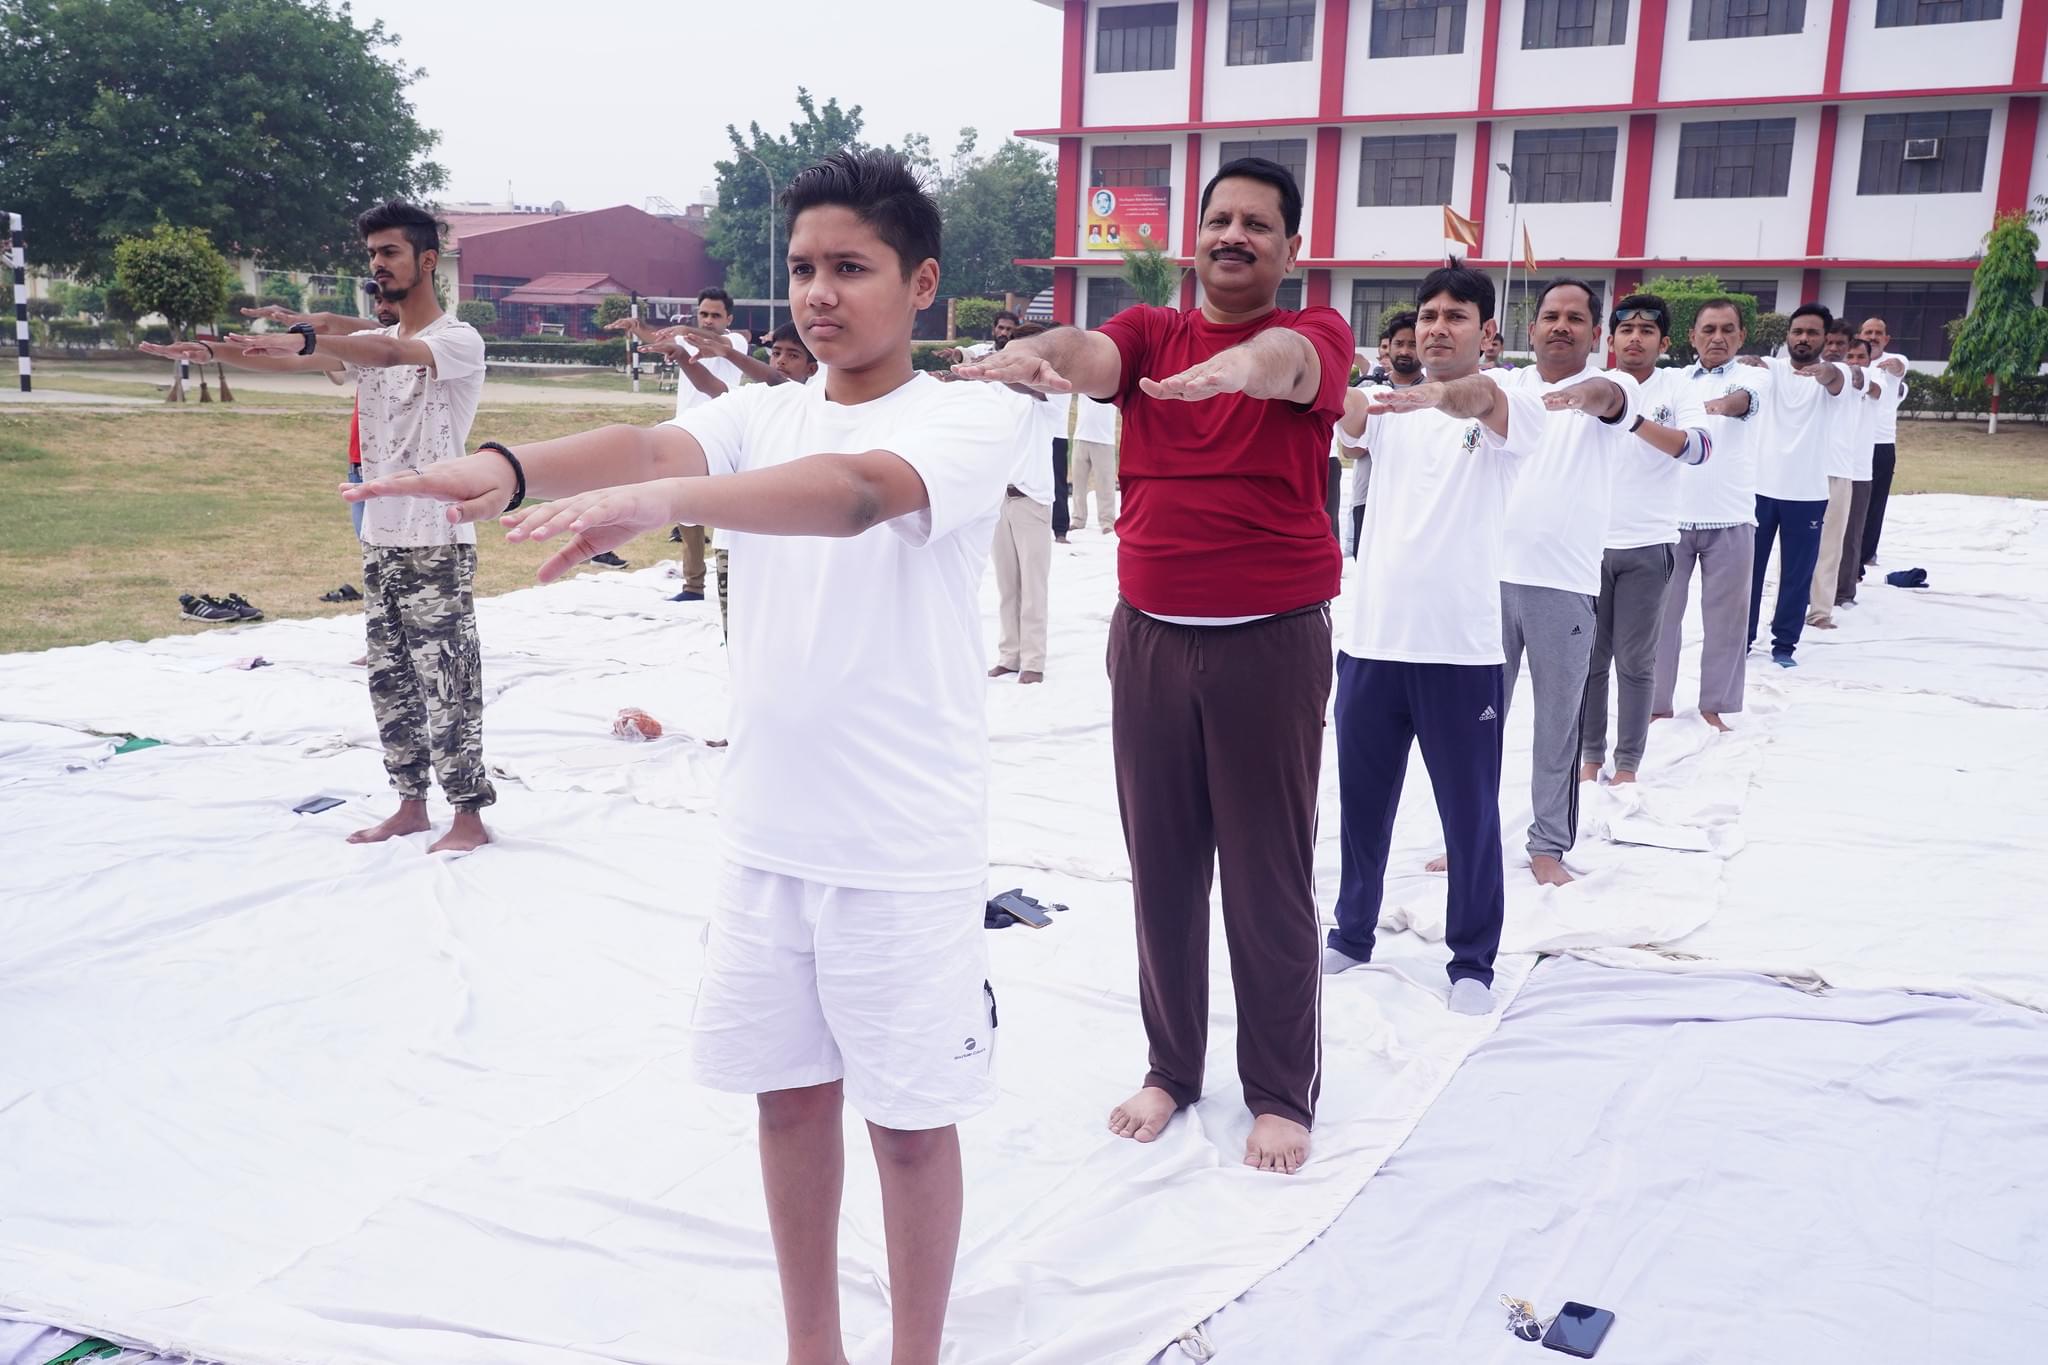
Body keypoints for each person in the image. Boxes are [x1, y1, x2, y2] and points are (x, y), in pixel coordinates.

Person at [353, 150, 1017, 1365]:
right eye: (805, 269)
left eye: (851, 269)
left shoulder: (965, 414)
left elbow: (860, 493)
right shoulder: (761, 408)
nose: (820, 293)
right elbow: (648, 444)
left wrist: (677, 508)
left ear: (921, 286)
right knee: (787, 1100)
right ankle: (810, 1347)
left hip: (900, 848)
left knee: (911, 1128)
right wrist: (500, 473)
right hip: (769, 833)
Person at [958, 156, 1352, 1176]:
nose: (1232, 235)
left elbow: (1289, 372)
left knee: (1264, 876)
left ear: (1288, 247)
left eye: (1254, 224)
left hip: (1269, 638)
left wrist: (1241, 369)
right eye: (1217, 220)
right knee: (1164, 868)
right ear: (1193, 241)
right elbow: (1091, 354)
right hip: (1148, 637)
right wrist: (1033, 351)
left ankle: (1277, 1091)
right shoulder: (1150, 333)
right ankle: (1171, 1068)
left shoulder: (1316, 334)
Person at [148, 202, 495, 853]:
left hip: (437, 540)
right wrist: (211, 350)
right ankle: (411, 803)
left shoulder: (456, 340)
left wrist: (310, 336)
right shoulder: (366, 348)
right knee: (389, 678)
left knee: (448, 679)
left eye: (389, 252)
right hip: (382, 539)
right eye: (371, 255)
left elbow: (392, 348)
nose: (378, 265)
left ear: (426, 261)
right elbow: (290, 363)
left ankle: (469, 814)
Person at [1319, 265, 1524, 1015]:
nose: (1438, 327)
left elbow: (1481, 400)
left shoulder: (1510, 403)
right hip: (1372, 644)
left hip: (1460, 655)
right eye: (1429, 315)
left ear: (1485, 330)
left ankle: (1472, 957)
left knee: (1468, 814)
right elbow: (1340, 409)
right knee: (1362, 805)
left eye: (1455, 316)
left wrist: (1439, 394)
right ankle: (1352, 930)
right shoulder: (1388, 408)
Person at [1494, 278, 1641, 886]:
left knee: (1556, 723)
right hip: (1488, 581)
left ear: (1595, 332)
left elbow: (1608, 395)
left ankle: (1548, 844)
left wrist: (1582, 393)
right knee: (1476, 724)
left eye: (1574, 318)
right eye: (1549, 316)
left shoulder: (1618, 386)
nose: (1560, 326)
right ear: (1531, 329)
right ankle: (1468, 835)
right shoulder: (1505, 386)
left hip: (1563, 584)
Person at [1579, 294, 1729, 786]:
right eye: (1626, 330)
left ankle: (1627, 765)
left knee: (1636, 663)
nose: (1635, 338)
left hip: (1649, 545)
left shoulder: (1677, 388)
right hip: (1587, 546)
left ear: (1664, 342)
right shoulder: (1588, 388)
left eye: (1647, 331)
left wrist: (1634, 420)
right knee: (1590, 662)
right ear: (1610, 338)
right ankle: (1589, 758)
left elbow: (1700, 449)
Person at [1651, 299, 1769, 733]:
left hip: (1732, 518)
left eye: (1727, 329)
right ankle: (1656, 702)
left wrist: (1711, 408)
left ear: (1740, 336)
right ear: (1692, 336)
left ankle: (1715, 705)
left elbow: (1743, 402)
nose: (1717, 337)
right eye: (1708, 329)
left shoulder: (1754, 376)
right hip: (1671, 518)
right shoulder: (1675, 380)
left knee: (1727, 621)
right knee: (1661, 619)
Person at [610, 287, 750, 598]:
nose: (709, 320)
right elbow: (662, 342)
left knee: (729, 516)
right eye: (703, 314)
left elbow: (717, 345)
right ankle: (694, 585)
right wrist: (638, 329)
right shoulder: (686, 341)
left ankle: (740, 584)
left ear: (729, 318)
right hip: (686, 435)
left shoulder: (736, 341)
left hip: (724, 436)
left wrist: (687, 331)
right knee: (687, 515)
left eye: (715, 315)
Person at [1739, 303, 1849, 666]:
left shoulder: (1836, 376)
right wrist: (1749, 360)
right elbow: (1751, 366)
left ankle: (1784, 645)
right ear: (1787, 336)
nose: (1803, 338)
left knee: (1796, 576)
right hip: (1759, 490)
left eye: (1812, 333)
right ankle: (1742, 640)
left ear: (1825, 339)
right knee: (1748, 573)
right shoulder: (1771, 370)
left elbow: (1835, 379)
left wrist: (1826, 372)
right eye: (1797, 331)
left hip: (1807, 495)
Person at [982, 321, 1061, 684]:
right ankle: (1009, 655)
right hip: (1001, 496)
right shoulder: (999, 393)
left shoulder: (1051, 388)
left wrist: (1000, 371)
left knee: (1034, 586)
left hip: (1032, 498)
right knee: (1007, 585)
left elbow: (1033, 390)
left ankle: (1033, 661)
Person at [1808, 331, 1878, 630]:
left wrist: (1847, 371)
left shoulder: (1855, 377)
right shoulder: (1800, 371)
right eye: (1830, 342)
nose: (1835, 348)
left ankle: (1820, 611)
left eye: (1841, 344)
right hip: (1802, 472)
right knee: (1796, 547)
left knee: (1830, 545)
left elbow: (1870, 386)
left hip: (1838, 471)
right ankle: (1788, 606)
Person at [1346, 310, 1424, 555]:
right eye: (1399, 343)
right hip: (1368, 496)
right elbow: (1350, 449)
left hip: (1415, 502)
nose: (1404, 351)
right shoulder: (1369, 388)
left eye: (1413, 344)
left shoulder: (1435, 393)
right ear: (1388, 346)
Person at [1835, 336, 1889, 610]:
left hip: (1857, 473)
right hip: (1828, 469)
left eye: (1860, 357)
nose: (1855, 362)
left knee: (1851, 535)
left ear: (1870, 360)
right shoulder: (1833, 381)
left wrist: (1861, 377)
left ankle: (1844, 591)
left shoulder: (1876, 377)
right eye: (1850, 357)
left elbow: (1877, 389)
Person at [1856, 317, 1909, 570]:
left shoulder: (1893, 361)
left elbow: (1900, 368)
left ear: (1886, 339)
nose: (1873, 336)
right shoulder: (1852, 360)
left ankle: (1866, 554)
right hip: (1852, 443)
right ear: (1860, 335)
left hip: (1880, 443)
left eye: (1878, 333)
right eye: (1868, 332)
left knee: (1875, 502)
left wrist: (1895, 366)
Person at [1069, 389, 1119, 533]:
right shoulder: (1084, 382)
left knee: (1105, 484)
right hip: (1081, 436)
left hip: (1104, 439)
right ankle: (1078, 519)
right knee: (1079, 484)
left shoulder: (1111, 384)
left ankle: (1107, 522)